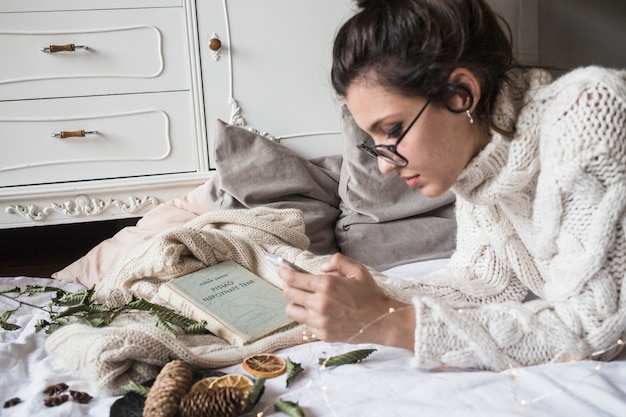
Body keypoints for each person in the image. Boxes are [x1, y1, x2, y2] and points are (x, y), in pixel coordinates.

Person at [279, 0, 626, 370]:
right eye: (374, 140)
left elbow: (597, 327)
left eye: (393, 130)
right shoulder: (477, 159)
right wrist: (368, 295)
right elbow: (481, 282)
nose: (382, 165)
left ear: (461, 93)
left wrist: (387, 322)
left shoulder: (590, 110)